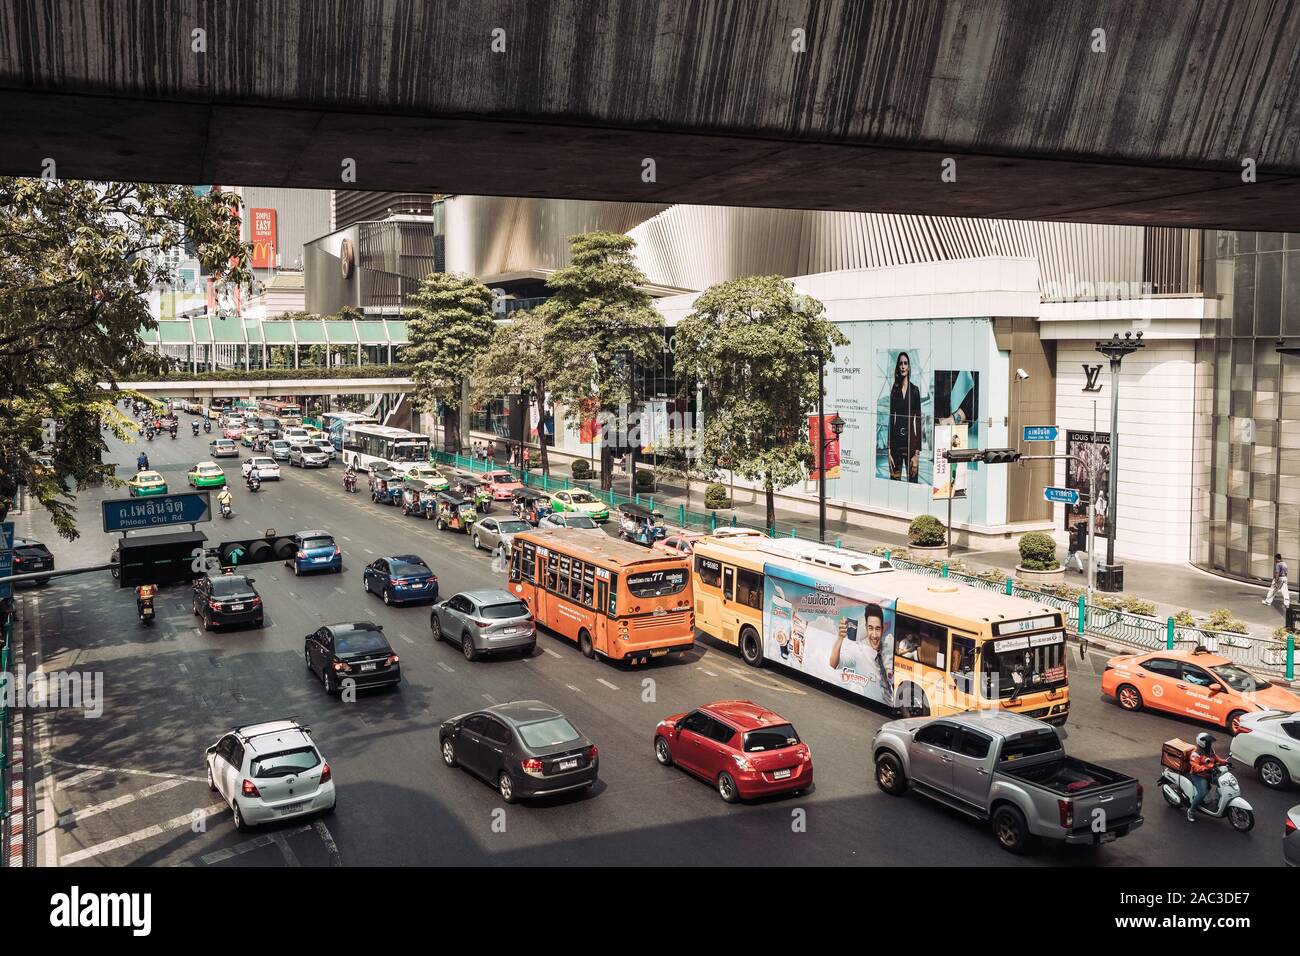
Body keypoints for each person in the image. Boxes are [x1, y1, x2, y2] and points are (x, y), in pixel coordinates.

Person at [887, 351, 923, 482]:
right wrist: (889, 449)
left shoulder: (915, 390)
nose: (903, 366)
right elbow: (891, 419)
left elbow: (918, 421)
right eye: (900, 364)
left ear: (909, 367)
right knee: (894, 481)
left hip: (911, 445)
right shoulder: (894, 390)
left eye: (905, 363)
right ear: (898, 367)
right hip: (896, 445)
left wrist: (917, 454)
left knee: (913, 481)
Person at [1187, 732, 1227, 822]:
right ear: (1203, 743)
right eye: (1208, 742)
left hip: (1209, 773)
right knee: (1202, 793)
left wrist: (1224, 762)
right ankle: (1191, 811)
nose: (1210, 744)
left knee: (1222, 783)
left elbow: (1216, 758)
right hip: (1198, 776)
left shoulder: (1209, 750)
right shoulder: (1196, 754)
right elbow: (1194, 766)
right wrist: (1204, 768)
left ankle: (1217, 801)